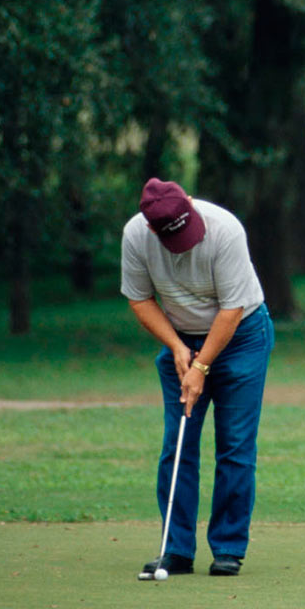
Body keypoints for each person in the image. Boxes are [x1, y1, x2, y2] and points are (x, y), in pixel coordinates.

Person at [122, 178, 274, 578]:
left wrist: (201, 366)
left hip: (241, 336)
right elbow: (139, 298)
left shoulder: (225, 230)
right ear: (152, 228)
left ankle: (227, 548)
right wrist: (175, 347)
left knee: (236, 444)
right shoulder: (136, 235)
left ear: (189, 201)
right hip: (181, 337)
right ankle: (176, 550)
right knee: (178, 443)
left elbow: (232, 309)